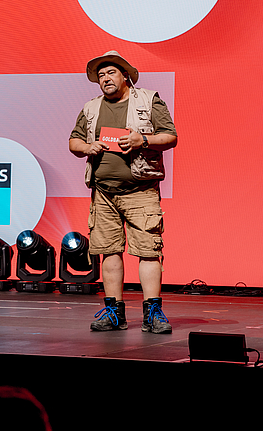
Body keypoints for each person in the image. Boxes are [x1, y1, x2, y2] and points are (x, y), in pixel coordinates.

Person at [69, 51, 178, 333]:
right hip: (103, 193)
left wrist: (143, 140)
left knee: (148, 251)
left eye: (111, 73)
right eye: (101, 75)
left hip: (141, 190)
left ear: (125, 75)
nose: (105, 78)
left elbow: (170, 136)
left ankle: (152, 313)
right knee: (109, 251)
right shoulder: (91, 108)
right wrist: (88, 147)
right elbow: (74, 141)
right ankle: (114, 312)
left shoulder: (149, 100)